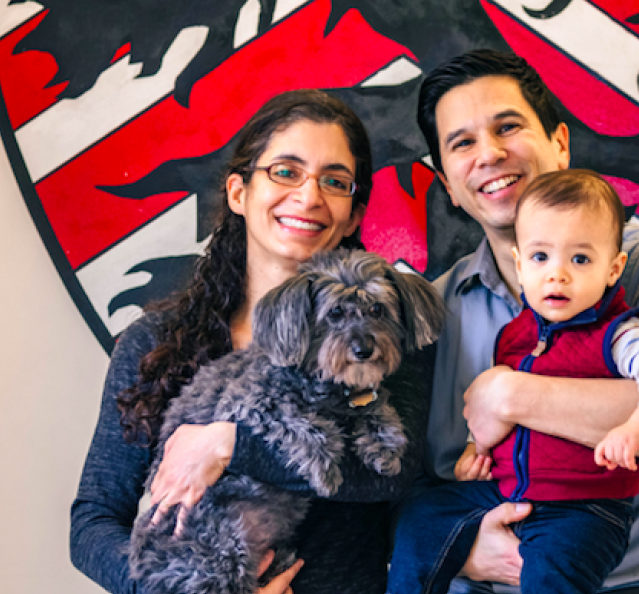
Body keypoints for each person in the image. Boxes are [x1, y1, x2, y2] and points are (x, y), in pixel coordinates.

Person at [411, 50, 639, 593]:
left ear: (560, 144)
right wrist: (464, 550)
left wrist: (512, 395)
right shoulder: (434, 305)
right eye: (463, 143)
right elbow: (413, 469)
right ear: (448, 184)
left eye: (508, 126)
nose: (491, 154)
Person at [69, 89, 432, 594]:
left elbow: (387, 476)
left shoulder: (388, 333)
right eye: (285, 171)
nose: (309, 196)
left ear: (353, 216)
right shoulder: (155, 342)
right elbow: (93, 521)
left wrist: (228, 444)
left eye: (335, 181)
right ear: (239, 192)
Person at [389, 169, 639, 594]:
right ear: (519, 265)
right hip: (509, 493)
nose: (558, 274)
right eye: (540, 258)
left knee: (551, 576)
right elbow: (501, 420)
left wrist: (638, 428)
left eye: (580, 259)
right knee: (421, 519)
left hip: (583, 508)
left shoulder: (617, 334)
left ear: (613, 269)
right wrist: (476, 452)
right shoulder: (516, 336)